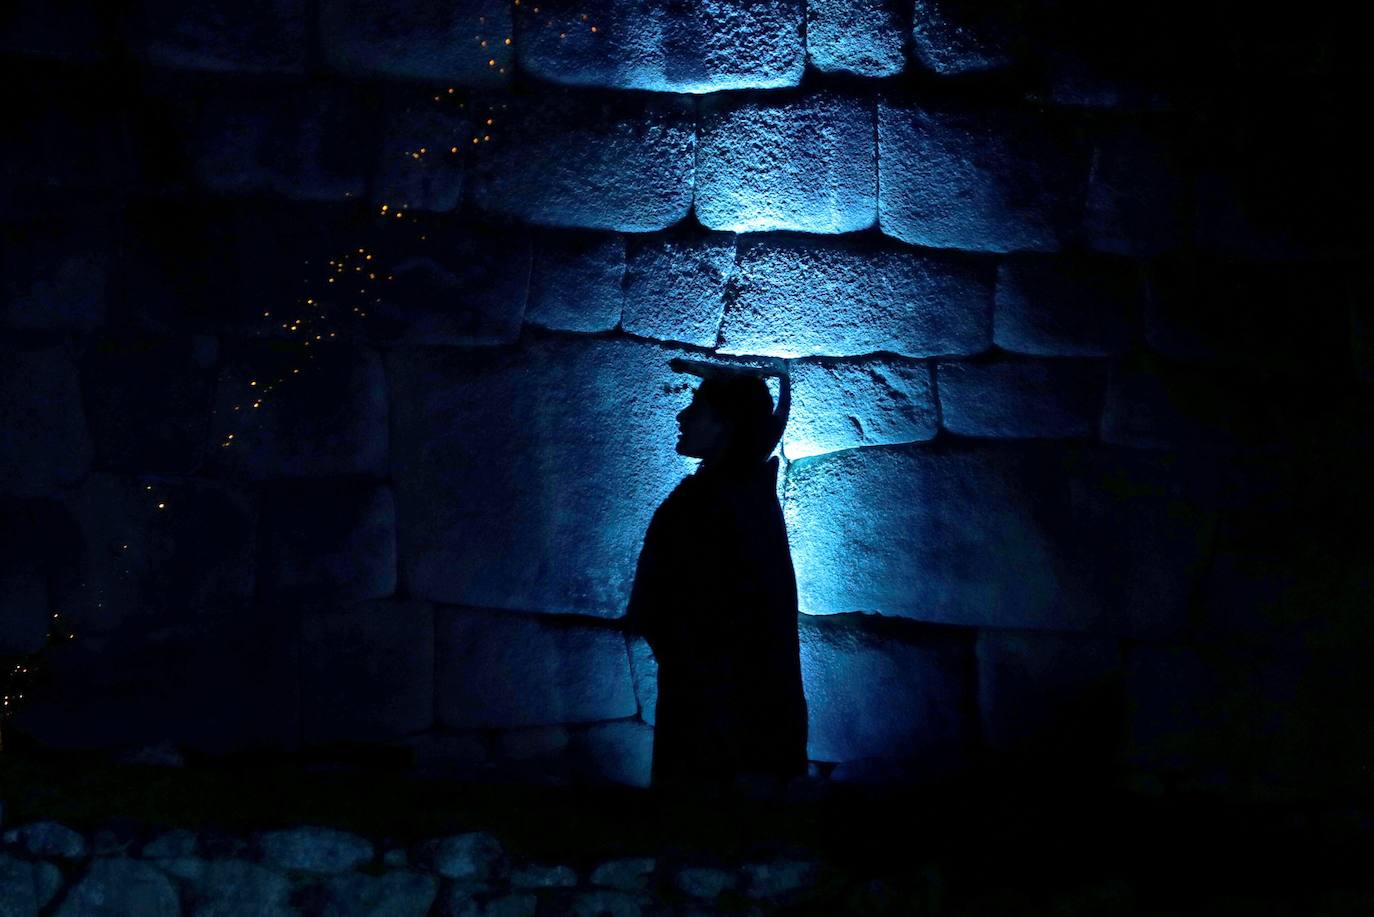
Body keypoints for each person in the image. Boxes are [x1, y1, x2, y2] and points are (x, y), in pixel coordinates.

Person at [623, 357, 808, 799]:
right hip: (720, 713)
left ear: (726, 424)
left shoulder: (720, 503)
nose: (682, 417)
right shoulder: (738, 498)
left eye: (698, 410)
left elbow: (724, 619)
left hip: (719, 722)